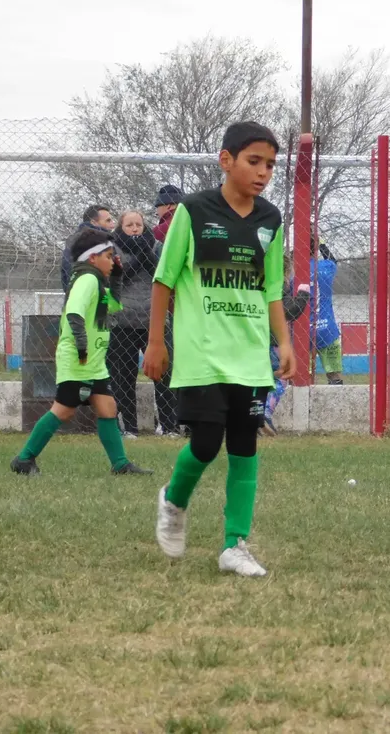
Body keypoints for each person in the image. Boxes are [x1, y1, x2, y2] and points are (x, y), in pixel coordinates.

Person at [145, 121, 295, 578]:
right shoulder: (192, 211)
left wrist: (284, 341)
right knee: (207, 444)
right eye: (254, 161)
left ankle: (235, 545)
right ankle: (173, 500)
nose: (264, 172)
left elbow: (271, 289)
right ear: (225, 160)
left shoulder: (271, 220)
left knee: (245, 447)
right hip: (202, 352)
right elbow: (164, 280)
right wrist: (155, 341)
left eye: (270, 164)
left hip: (250, 355)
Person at [11, 229, 151, 477]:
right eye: (109, 256)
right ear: (93, 258)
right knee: (63, 410)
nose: (112, 261)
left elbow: (115, 304)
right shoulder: (86, 281)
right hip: (79, 359)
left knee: (108, 407)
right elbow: (74, 313)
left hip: (94, 363)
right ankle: (24, 459)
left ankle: (120, 465)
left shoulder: (97, 283)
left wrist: (117, 277)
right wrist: (83, 348)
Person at [107, 210, 179, 438]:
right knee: (124, 375)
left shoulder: (156, 247)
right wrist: (138, 257)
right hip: (124, 321)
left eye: (139, 224)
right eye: (129, 225)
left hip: (153, 320)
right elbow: (116, 277)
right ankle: (129, 427)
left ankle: (168, 425)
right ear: (121, 228)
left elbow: (161, 275)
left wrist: (146, 253)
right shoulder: (113, 249)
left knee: (163, 373)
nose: (135, 228)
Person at [263, 251, 311, 435]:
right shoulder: (279, 285)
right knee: (280, 378)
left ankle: (252, 413)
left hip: (256, 339)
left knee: (259, 378)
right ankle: (264, 412)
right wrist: (303, 295)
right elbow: (287, 312)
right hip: (273, 341)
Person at [61, 205, 116, 292]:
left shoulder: (74, 239)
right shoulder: (94, 240)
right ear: (94, 222)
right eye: (108, 221)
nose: (112, 224)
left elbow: (65, 272)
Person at [312, 242, 343, 385]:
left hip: (303, 330)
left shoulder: (294, 269)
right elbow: (332, 260)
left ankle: (302, 404)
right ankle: (338, 401)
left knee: (301, 377)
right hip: (327, 329)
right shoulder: (326, 266)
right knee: (335, 375)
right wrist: (321, 244)